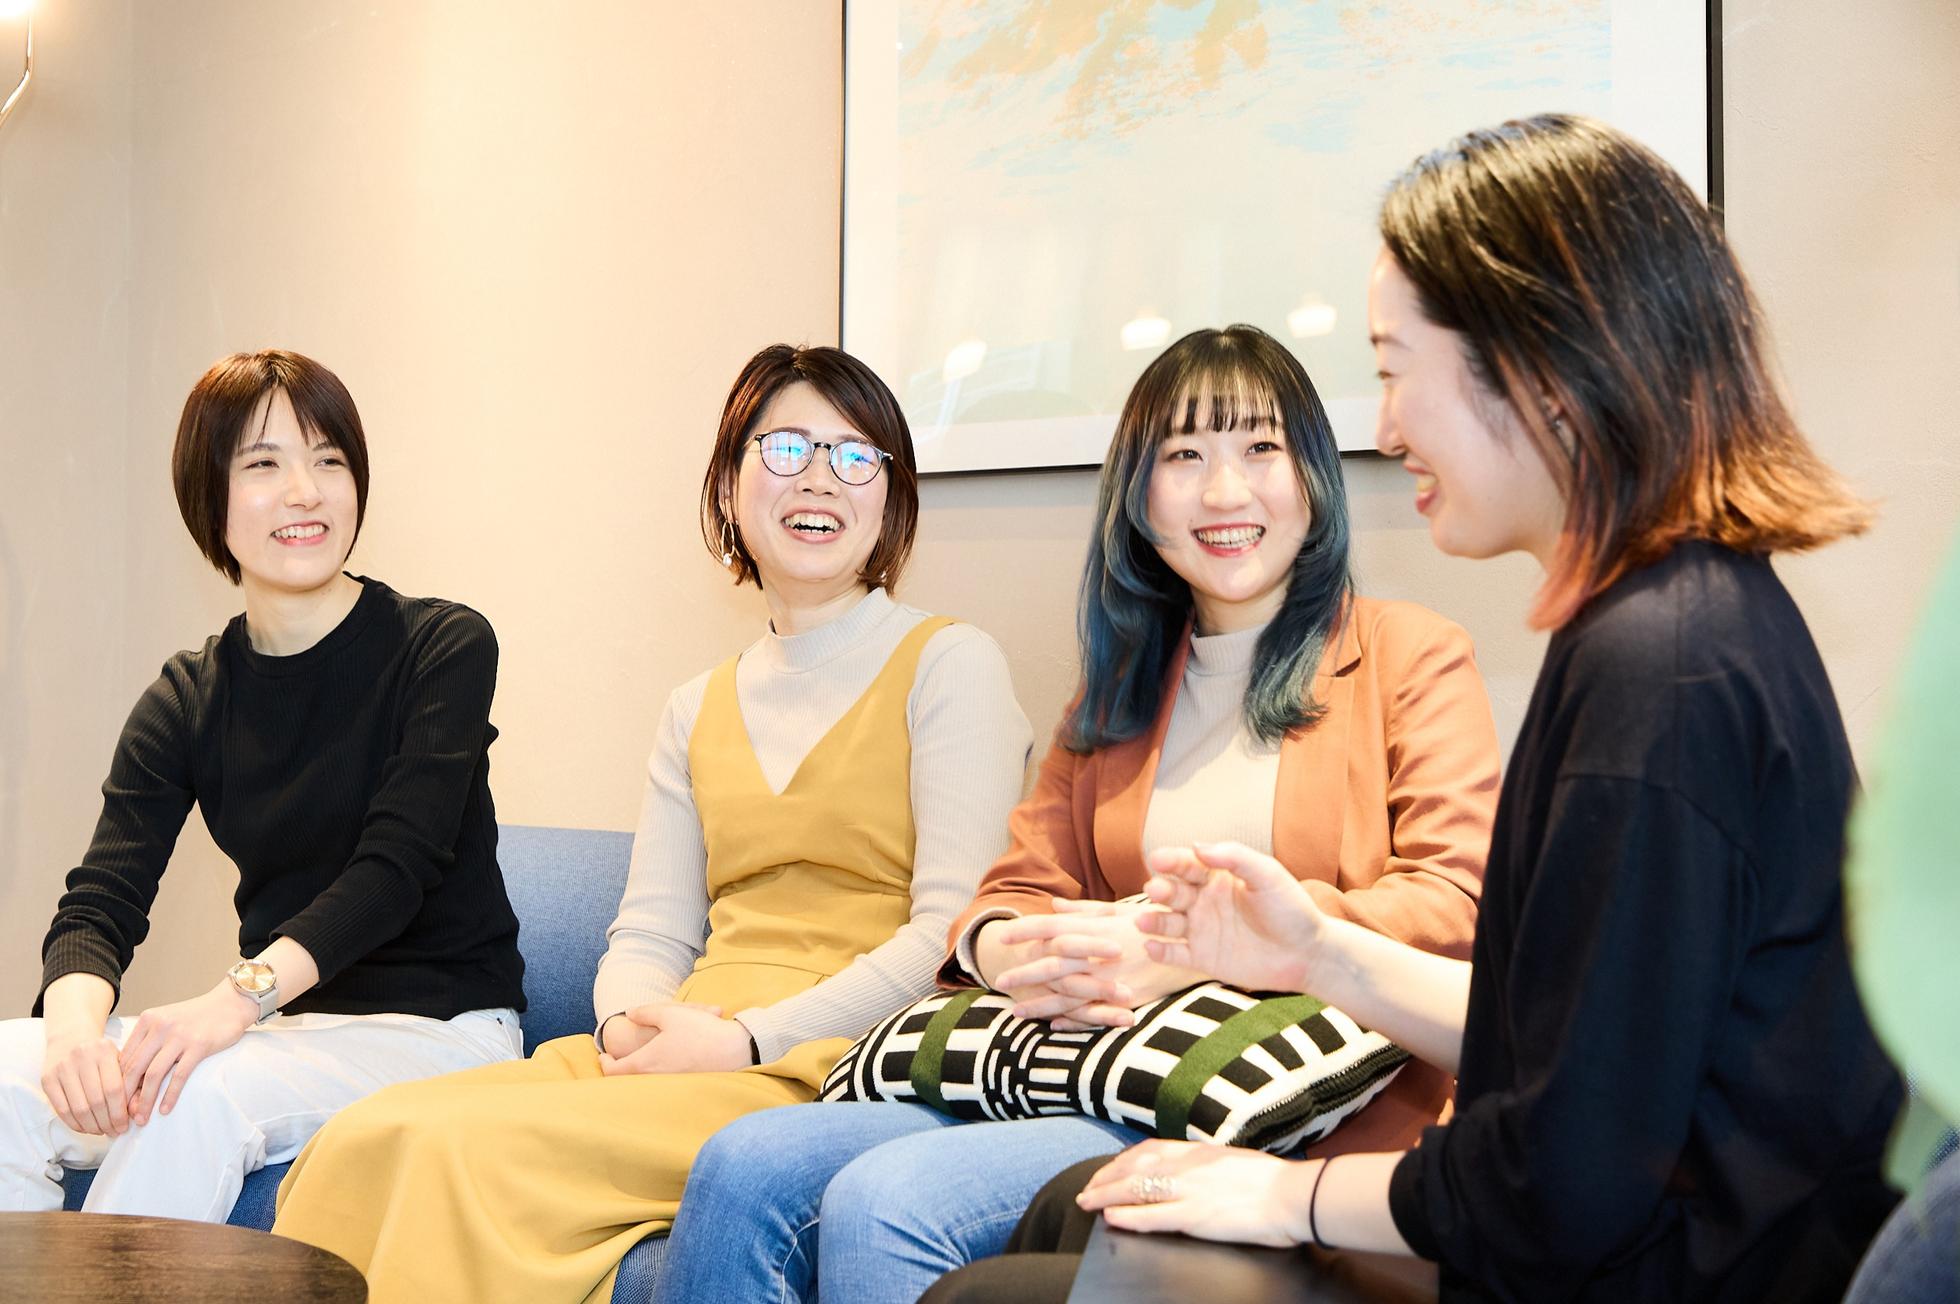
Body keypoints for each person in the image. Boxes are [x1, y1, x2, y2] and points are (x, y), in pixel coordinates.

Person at [951, 114, 1903, 1304]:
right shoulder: (1675, 619)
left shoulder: (1658, 674)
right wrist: (1312, 950)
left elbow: (1558, 1179)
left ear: (1537, 365)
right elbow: (1570, 1046)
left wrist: (1286, 1194)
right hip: (1629, 1231)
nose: (1386, 426)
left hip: (1656, 1270)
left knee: (987, 1289)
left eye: (1396, 369)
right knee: (1076, 1204)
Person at [656, 324, 1501, 1304]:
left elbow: (1456, 902)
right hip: (1099, 1068)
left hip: (1291, 1108)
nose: (1224, 491)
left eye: (1260, 447)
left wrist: (1198, 946)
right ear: (1140, 497)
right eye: (1184, 456)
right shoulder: (1120, 690)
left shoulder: (1408, 655)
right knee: (744, 1162)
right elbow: (1007, 891)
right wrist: (1015, 949)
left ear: (1311, 476)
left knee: (889, 1202)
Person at [268, 343, 1032, 1304]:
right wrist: (629, 1024)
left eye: (854, 456)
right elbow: (651, 932)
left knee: (453, 1152)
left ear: (891, 497)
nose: (818, 479)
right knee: (364, 1135)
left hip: (837, 1061)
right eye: (785, 447)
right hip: (689, 1044)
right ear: (731, 484)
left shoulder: (951, 664)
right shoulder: (695, 705)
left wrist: (747, 1039)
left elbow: (951, 938)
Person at [0, 349, 526, 1221]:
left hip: (441, 1034)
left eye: (329, 460)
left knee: (192, 1096)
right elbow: (98, 904)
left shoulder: (442, 646)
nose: (305, 492)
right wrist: (72, 1039)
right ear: (209, 498)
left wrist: (234, 1000)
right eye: (264, 464)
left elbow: (393, 872)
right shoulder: (188, 696)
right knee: (8, 1078)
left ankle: (105, 1284)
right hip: (288, 1032)